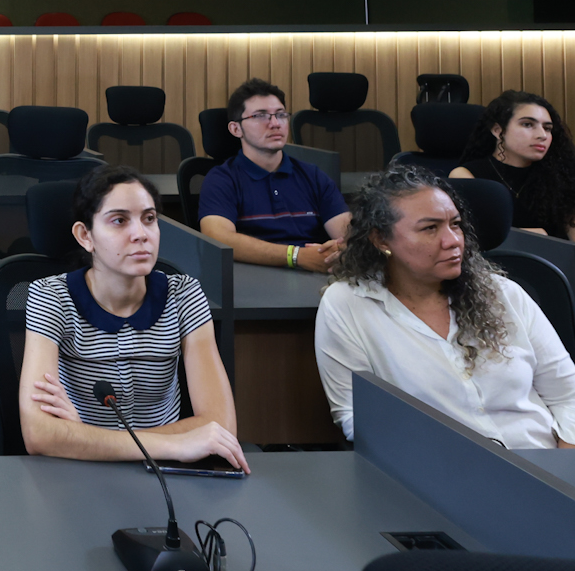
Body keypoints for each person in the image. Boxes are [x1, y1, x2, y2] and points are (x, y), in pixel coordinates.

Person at [315, 164, 575, 448]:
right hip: (439, 476)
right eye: (430, 228)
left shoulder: (503, 294)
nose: (453, 240)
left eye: (455, 224)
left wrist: (570, 468)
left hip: (545, 466)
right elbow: (359, 419)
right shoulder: (349, 304)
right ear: (381, 239)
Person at [21, 165, 247, 470]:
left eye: (149, 219)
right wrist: (177, 442)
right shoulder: (51, 296)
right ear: (85, 235)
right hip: (83, 473)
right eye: (119, 221)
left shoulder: (184, 294)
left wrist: (81, 436)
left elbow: (220, 426)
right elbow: (39, 434)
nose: (140, 234)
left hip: (165, 474)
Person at [451, 89, 575, 278]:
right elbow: (474, 242)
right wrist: (573, 264)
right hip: (496, 279)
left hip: (554, 281)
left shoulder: (561, 177)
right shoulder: (467, 176)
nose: (542, 134)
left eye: (547, 128)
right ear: (498, 130)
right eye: (528, 125)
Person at [197, 78, 350, 271]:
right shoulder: (221, 179)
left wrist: (343, 247)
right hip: (254, 281)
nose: (275, 123)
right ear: (236, 129)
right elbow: (218, 237)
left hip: (319, 274)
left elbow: (347, 233)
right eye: (261, 116)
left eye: (281, 115)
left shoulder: (313, 175)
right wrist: (295, 256)